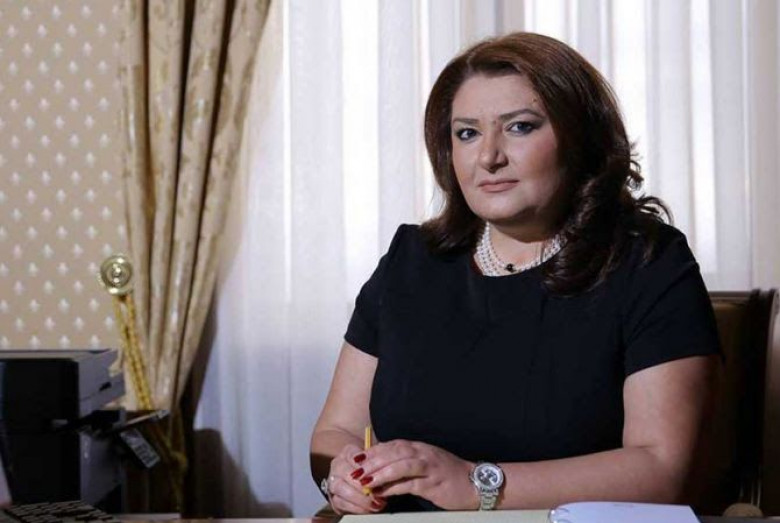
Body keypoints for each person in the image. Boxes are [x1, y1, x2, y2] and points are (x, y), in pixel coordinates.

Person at [310, 31, 719, 514]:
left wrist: (475, 483)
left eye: (520, 127)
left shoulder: (649, 262)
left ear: (580, 137)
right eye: (467, 133)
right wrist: (346, 474)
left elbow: (662, 470)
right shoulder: (410, 260)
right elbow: (336, 431)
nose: (489, 156)